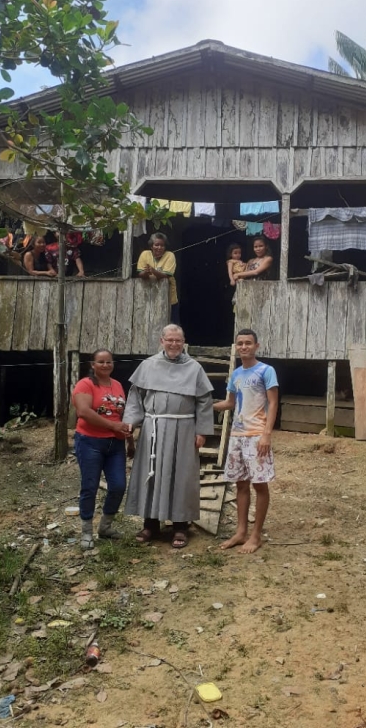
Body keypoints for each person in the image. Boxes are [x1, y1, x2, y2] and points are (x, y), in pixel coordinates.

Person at [123, 324, 214, 548]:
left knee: (181, 476)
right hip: (153, 428)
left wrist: (202, 430)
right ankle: (150, 524)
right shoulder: (148, 365)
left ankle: (180, 526)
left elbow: (204, 401)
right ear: (161, 341)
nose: (174, 344)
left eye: (178, 340)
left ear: (183, 343)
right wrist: (131, 422)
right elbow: (135, 397)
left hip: (183, 429)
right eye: (170, 340)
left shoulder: (194, 368)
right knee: (150, 475)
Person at [213, 329, 278, 554]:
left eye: (248, 343)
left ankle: (256, 535)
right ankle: (241, 532)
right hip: (237, 436)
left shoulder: (266, 371)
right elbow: (230, 403)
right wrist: (207, 405)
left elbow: (273, 403)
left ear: (256, 346)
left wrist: (267, 434)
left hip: (257, 435)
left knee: (259, 485)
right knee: (240, 484)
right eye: (240, 343)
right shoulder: (236, 374)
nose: (243, 347)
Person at [72, 349, 134, 550]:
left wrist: (130, 440)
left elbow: (122, 416)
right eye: (101, 362)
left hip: (115, 444)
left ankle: (105, 527)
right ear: (93, 364)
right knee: (89, 486)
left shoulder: (117, 385)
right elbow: (83, 412)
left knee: (118, 486)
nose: (105, 365)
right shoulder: (85, 384)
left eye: (109, 362)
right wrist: (113, 426)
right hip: (90, 441)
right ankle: (86, 531)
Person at [137, 232, 179, 323]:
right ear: (151, 246)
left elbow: (166, 276)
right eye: (157, 245)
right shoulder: (145, 254)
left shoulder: (170, 255)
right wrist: (146, 273)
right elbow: (140, 274)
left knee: (172, 324)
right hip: (149, 297)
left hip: (169, 299)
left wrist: (153, 271)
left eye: (162, 245)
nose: (159, 248)